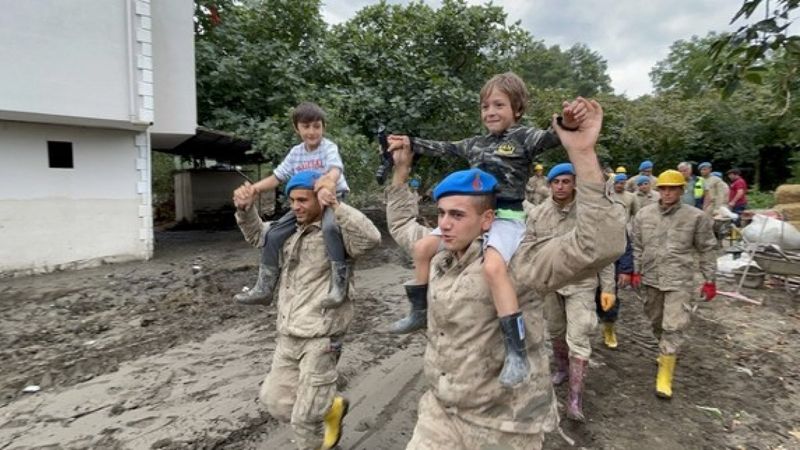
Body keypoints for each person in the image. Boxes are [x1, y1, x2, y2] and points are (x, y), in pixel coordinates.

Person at [386, 98, 625, 448]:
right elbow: (402, 224)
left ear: (486, 218)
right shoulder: (439, 253)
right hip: (441, 413)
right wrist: (401, 169)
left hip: (505, 425)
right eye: (441, 214)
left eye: (457, 215)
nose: (445, 224)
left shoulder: (520, 260)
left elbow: (599, 245)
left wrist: (584, 155)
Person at [384, 72, 588, 388]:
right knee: (422, 247)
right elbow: (443, 147)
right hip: (474, 217)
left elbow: (553, 135)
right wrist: (409, 142)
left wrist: (569, 121)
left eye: (498, 104)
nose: (490, 111)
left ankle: (516, 351)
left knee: (494, 268)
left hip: (506, 216)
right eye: (485, 106)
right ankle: (418, 311)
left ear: (517, 109)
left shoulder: (524, 138)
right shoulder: (475, 143)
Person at [233, 171, 381, 450]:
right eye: (292, 200)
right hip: (288, 333)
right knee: (275, 401)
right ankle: (331, 409)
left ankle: (319, 432)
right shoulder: (287, 231)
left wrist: (336, 205)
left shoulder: (337, 233)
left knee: (304, 419)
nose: (296, 206)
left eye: (303, 200)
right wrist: (245, 209)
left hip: (323, 336)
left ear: (319, 199)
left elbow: (371, 239)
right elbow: (257, 236)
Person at [234, 102, 352, 307]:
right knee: (272, 234)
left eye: (317, 126)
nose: (312, 131)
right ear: (297, 128)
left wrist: (328, 182)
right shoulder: (296, 153)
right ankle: (264, 287)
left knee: (331, 227)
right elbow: (277, 177)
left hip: (331, 199)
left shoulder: (328, 147)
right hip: (306, 203)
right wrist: (254, 189)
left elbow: (335, 169)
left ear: (324, 127)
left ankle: (339, 285)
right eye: (306, 127)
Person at [529, 163, 617, 421]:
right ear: (549, 185)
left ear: (574, 183)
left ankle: (575, 398)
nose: (560, 186)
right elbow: (530, 250)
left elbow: (606, 250)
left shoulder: (590, 213)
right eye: (556, 182)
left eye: (566, 181)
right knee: (555, 329)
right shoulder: (538, 214)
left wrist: (608, 287)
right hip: (550, 283)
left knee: (578, 335)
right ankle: (561, 368)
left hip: (582, 282)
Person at [631, 169, 717, 399]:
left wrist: (709, 279)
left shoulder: (696, 217)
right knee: (656, 320)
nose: (668, 193)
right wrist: (635, 271)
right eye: (664, 188)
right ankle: (664, 350)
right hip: (651, 277)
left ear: (681, 190)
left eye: (673, 189)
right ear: (658, 190)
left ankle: (664, 377)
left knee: (674, 325)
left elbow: (707, 248)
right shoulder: (643, 215)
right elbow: (637, 245)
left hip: (679, 280)